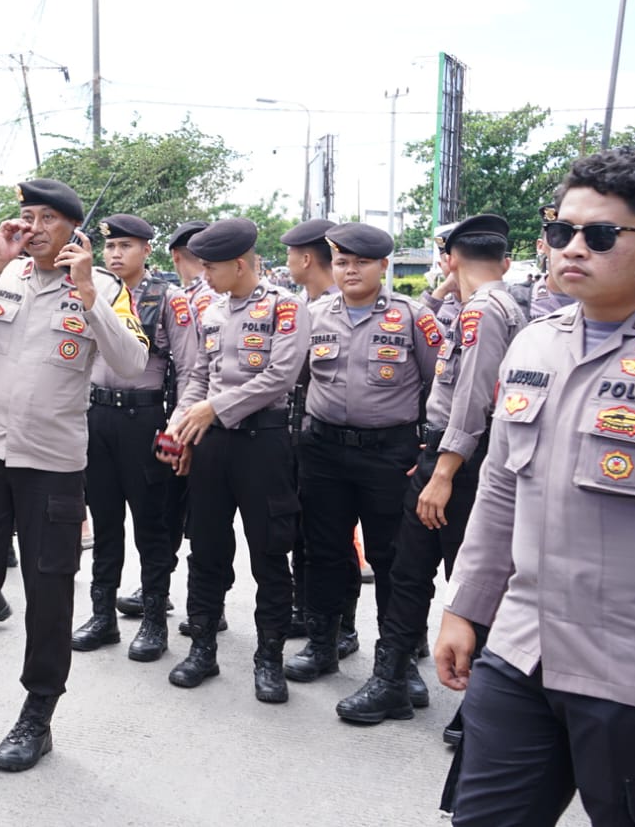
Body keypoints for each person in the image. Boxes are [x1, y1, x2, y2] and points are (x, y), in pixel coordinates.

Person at [436, 149, 635, 826]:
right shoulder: (534, 344)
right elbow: (501, 489)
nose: (572, 248)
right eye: (562, 231)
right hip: (521, 649)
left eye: (601, 234)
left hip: (632, 671)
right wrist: (466, 607)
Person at [0, 179, 148, 771]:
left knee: (48, 594)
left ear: (73, 231)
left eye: (48, 219)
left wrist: (89, 293)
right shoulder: (4, 276)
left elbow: (131, 364)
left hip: (53, 465)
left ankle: (37, 716)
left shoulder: (106, 288)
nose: (34, 228)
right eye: (27, 217)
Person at [336, 214, 521, 729]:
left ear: (450, 258)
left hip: (460, 463)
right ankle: (392, 680)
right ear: (504, 261)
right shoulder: (492, 303)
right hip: (447, 454)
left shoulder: (483, 311)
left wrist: (442, 472)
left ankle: (483, 706)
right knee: (409, 569)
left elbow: (473, 396)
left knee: (468, 578)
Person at [284, 223, 442, 692]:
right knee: (325, 552)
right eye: (342, 262)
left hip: (389, 454)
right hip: (324, 452)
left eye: (362, 262)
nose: (350, 270)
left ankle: (399, 659)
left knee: (393, 559)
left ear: (383, 266)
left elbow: (440, 383)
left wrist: (430, 448)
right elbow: (295, 379)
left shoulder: (412, 317)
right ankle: (323, 643)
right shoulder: (314, 314)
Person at [162, 218, 307, 705]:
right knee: (206, 547)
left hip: (263, 443)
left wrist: (214, 409)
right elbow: (199, 376)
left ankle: (269, 658)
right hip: (213, 445)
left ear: (240, 264)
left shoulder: (284, 307)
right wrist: (182, 423)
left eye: (211, 267)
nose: (203, 275)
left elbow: (281, 376)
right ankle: (202, 647)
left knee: (270, 551)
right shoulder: (212, 310)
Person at [71, 214, 199, 662]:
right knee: (105, 522)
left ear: (147, 250)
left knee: (152, 525)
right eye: (109, 247)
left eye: (125, 246)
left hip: (144, 419)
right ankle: (102, 616)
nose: (115, 254)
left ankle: (153, 621)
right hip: (96, 416)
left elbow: (190, 369)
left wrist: (178, 428)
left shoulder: (169, 298)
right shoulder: (91, 290)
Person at [279, 218, 338, 637]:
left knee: (328, 535)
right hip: (298, 433)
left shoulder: (331, 309)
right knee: (301, 527)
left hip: (323, 434)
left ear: (305, 259)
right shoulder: (303, 304)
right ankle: (304, 607)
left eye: (289, 254)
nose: (286, 262)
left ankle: (341, 624)